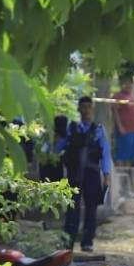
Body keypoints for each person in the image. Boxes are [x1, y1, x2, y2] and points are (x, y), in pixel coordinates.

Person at [56, 96, 112, 252]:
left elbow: (105, 153)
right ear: (79, 109)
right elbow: (58, 148)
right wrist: (57, 137)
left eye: (89, 107)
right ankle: (68, 242)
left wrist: (106, 175)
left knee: (91, 208)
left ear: (92, 109)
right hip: (74, 174)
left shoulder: (99, 130)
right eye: (83, 107)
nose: (86, 110)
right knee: (72, 208)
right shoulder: (72, 128)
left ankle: (87, 242)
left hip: (92, 174)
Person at [111, 66, 134, 168]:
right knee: (122, 154)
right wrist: (119, 127)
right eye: (125, 82)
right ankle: (121, 174)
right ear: (121, 84)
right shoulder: (117, 96)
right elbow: (115, 112)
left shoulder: (132, 96)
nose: (128, 85)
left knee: (131, 155)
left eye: (130, 82)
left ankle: (128, 175)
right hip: (124, 130)